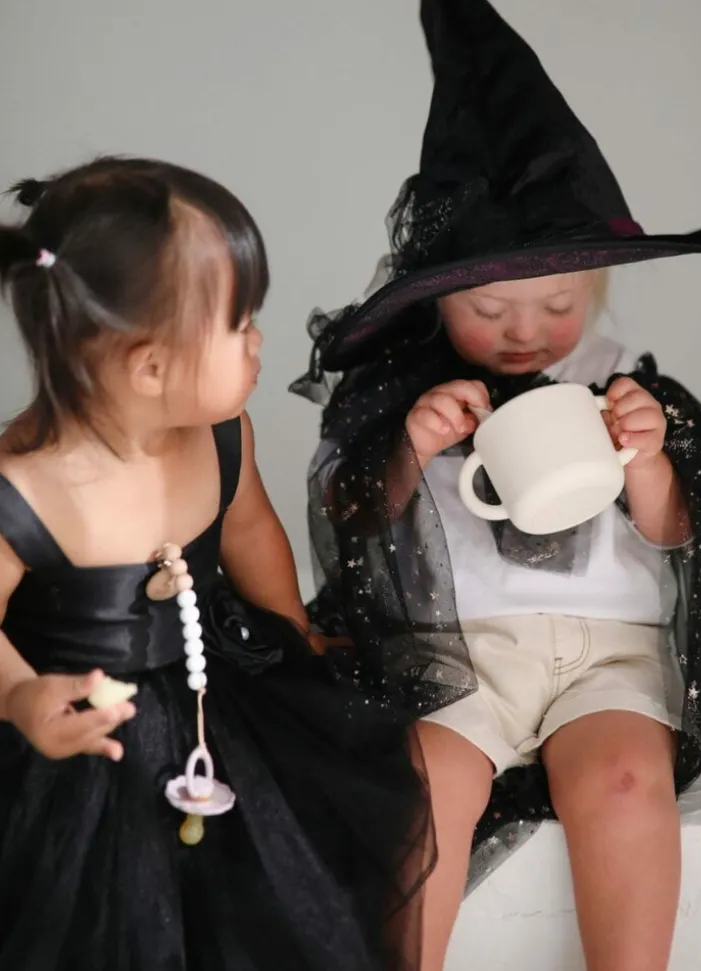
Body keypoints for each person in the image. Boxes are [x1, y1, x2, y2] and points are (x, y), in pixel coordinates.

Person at [291, 1, 701, 969]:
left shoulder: (627, 386)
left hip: (607, 654)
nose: (524, 330)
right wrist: (410, 448)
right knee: (424, 787)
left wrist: (649, 458)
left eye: (556, 302)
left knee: (626, 783)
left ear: (595, 283)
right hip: (459, 656)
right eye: (488, 306)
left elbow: (682, 528)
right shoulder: (406, 394)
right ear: (434, 296)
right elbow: (354, 518)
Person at [0, 156, 431, 971]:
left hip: (219, 699)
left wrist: (294, 631)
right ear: (150, 366)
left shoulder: (222, 434)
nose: (259, 340)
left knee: (258, 903)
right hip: (84, 744)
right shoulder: (24, 489)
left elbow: (251, 532)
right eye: (239, 325)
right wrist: (21, 694)